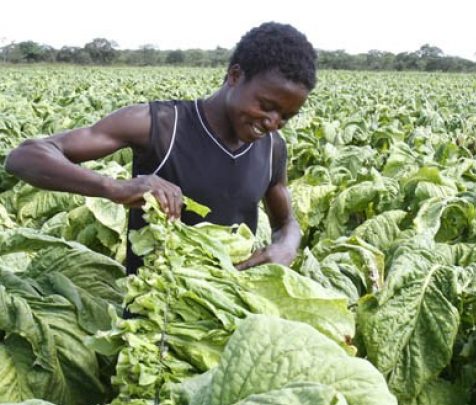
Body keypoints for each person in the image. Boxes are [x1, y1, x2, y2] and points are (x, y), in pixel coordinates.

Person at [6, 22, 317, 275]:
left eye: (286, 116)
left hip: (227, 311)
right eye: (266, 106)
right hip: (156, 315)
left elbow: (285, 222)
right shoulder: (159, 125)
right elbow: (26, 156)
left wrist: (287, 245)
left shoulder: (273, 148)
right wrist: (114, 188)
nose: (274, 122)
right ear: (234, 76)